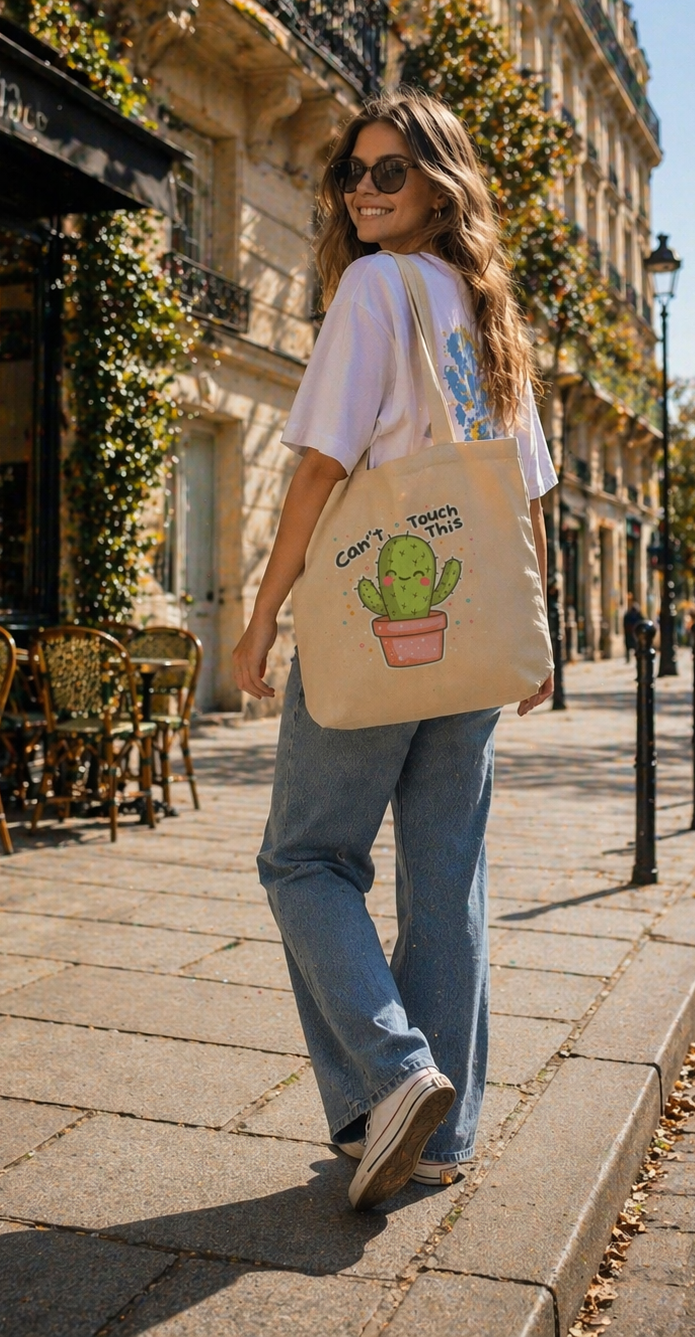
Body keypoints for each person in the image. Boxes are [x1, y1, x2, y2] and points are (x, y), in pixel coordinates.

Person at [232, 89, 556, 1213]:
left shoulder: (374, 289)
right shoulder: (490, 310)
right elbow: (524, 494)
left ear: (438, 183)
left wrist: (264, 609)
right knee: (445, 876)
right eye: (352, 174)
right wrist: (537, 630)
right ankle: (441, 1136)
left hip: (375, 618)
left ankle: (398, 1072)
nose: (362, 192)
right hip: (472, 627)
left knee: (305, 859)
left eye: (388, 173)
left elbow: (321, 466)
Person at [623, 595, 642, 662]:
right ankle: (632, 657)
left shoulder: (629, 615)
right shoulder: (636, 615)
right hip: (632, 632)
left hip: (631, 632)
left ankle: (632, 658)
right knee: (633, 645)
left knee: (631, 646)